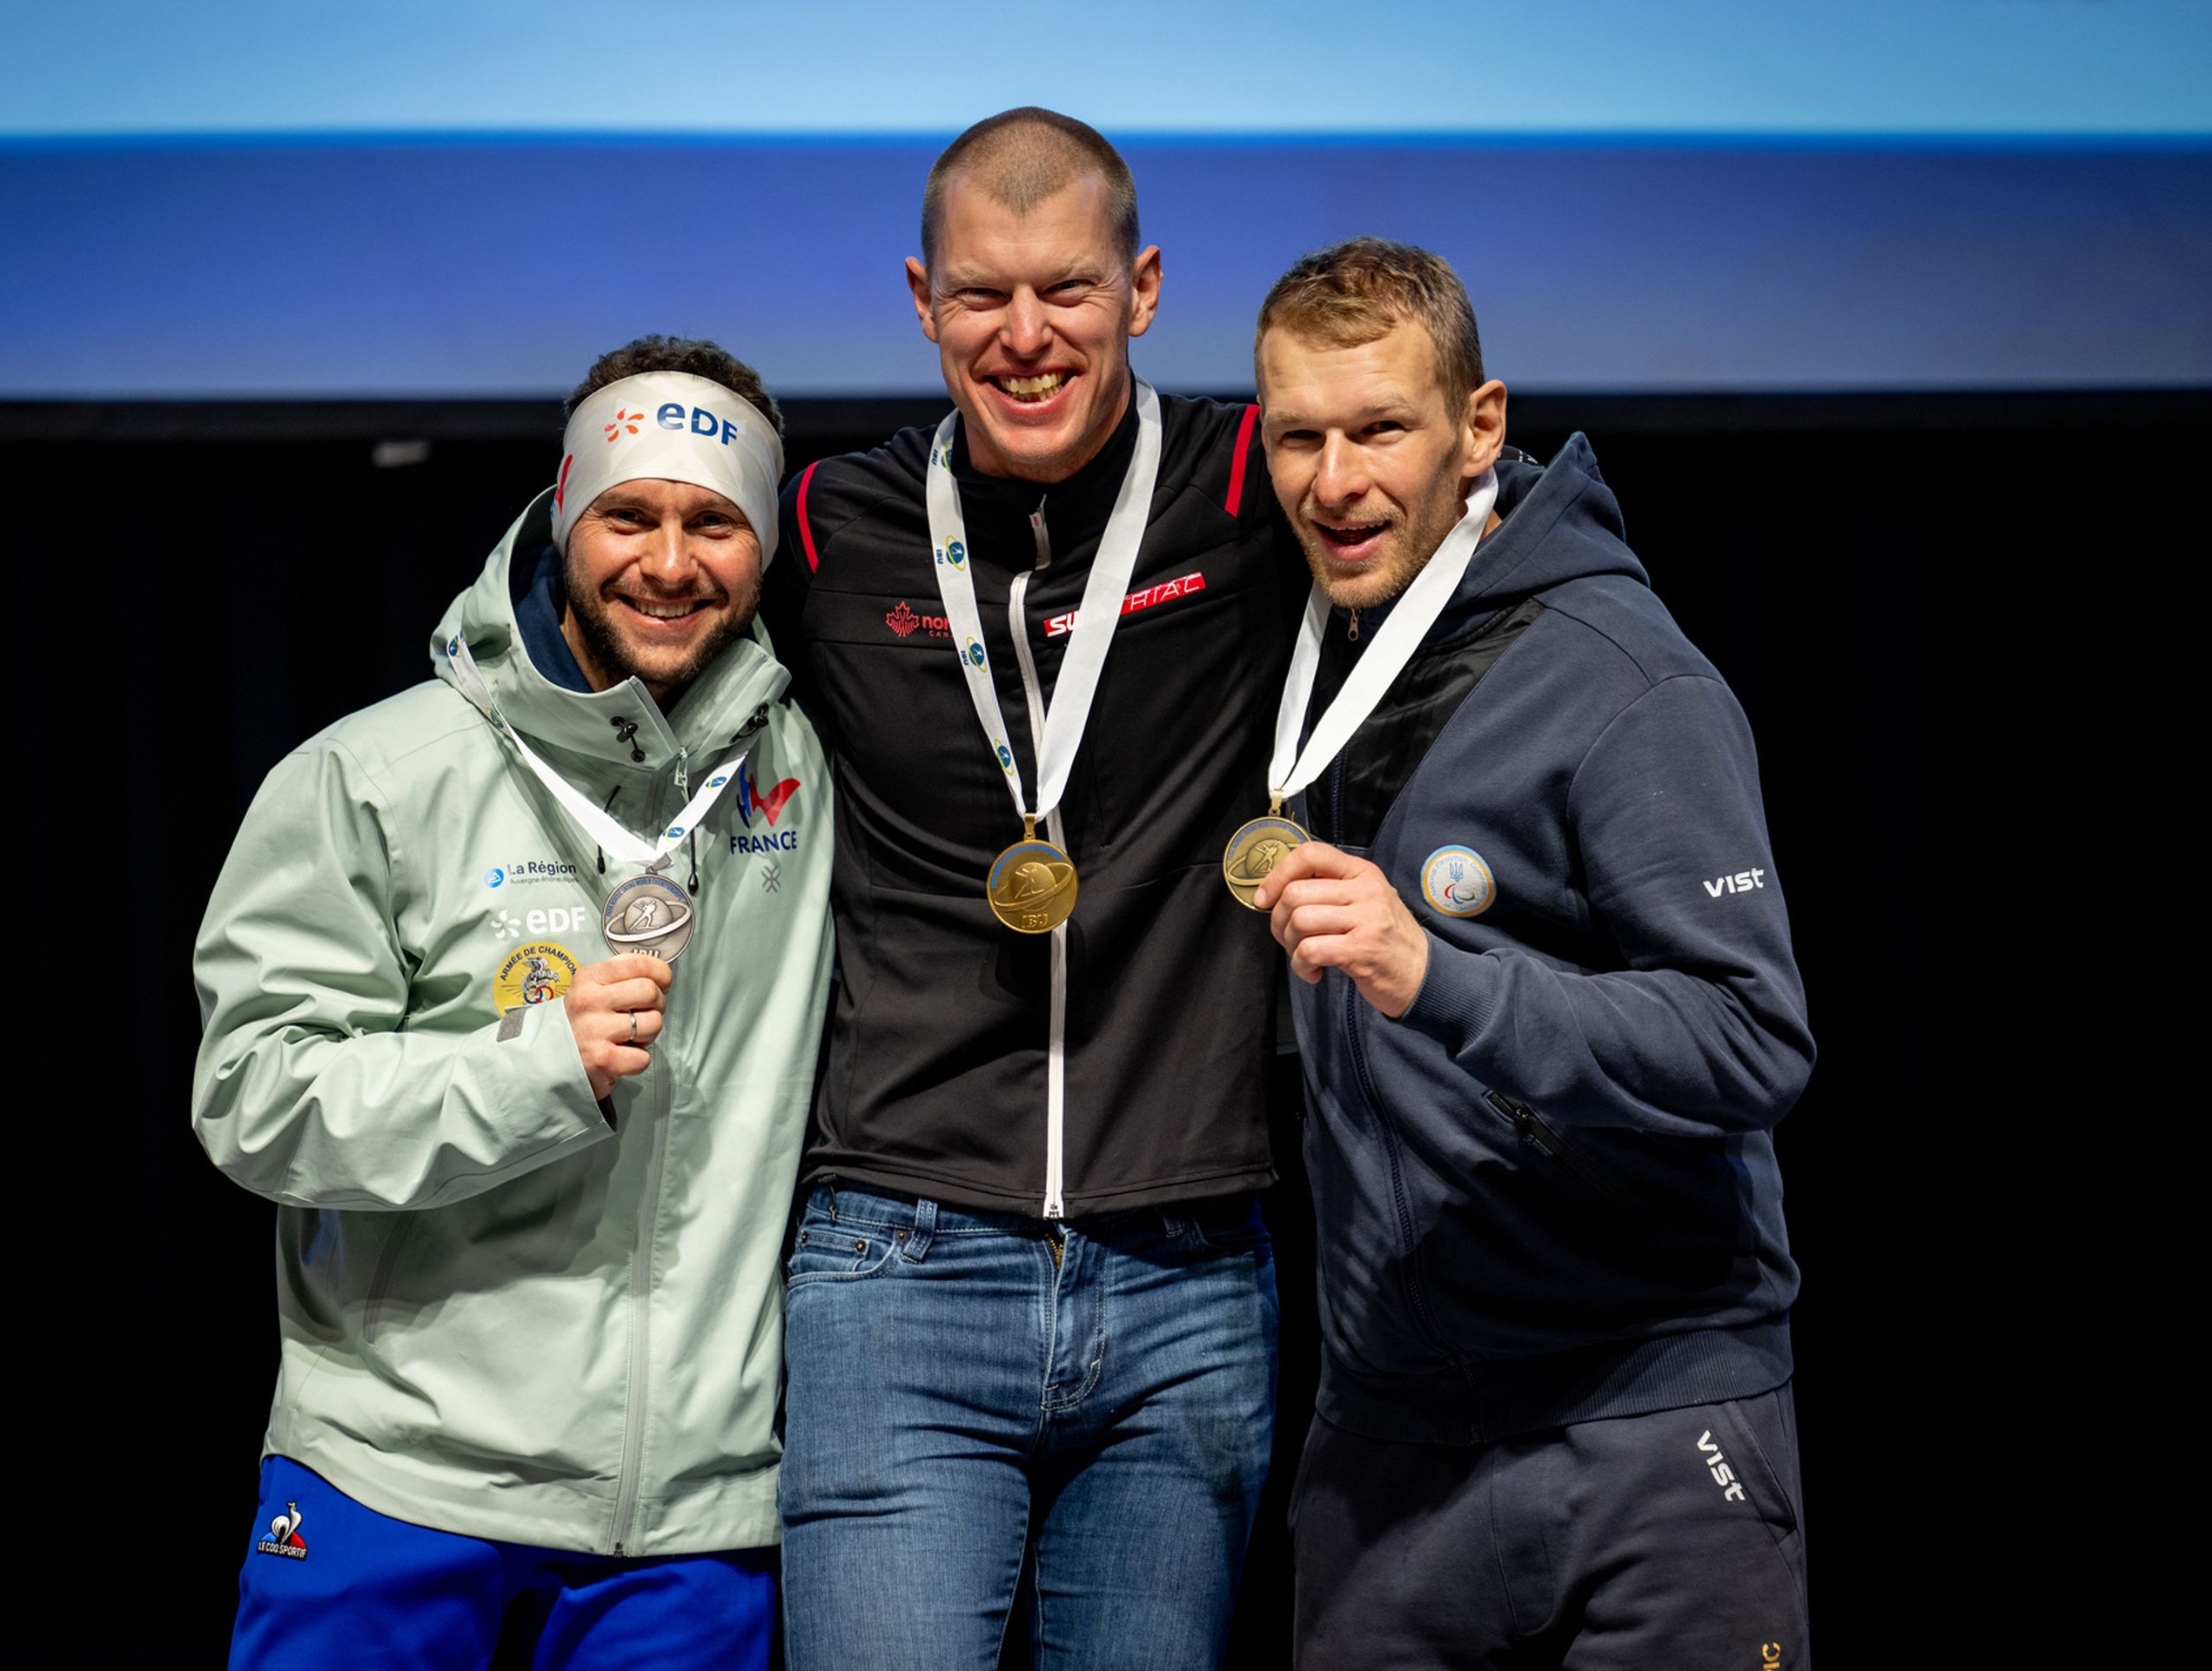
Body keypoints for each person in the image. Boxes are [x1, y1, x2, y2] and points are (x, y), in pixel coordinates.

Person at [191, 334, 833, 1668]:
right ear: (562, 513)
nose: (668, 564)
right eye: (629, 515)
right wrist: (530, 1069)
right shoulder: (376, 774)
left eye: (714, 522)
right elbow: (252, 1098)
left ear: (764, 545)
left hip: (691, 1528)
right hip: (396, 1483)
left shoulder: (814, 778)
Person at [761, 109, 1302, 1665]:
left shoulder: (1252, 483)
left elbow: (1463, 508)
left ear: (1141, 288)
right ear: (922, 300)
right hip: (896, 1264)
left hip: (1187, 1270)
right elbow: (621, 600)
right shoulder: (828, 522)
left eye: (1065, 289)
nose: (1025, 336)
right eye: (982, 296)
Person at [1247, 238, 1816, 1668]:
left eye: (1381, 429)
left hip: (1642, 1425)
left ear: (1479, 427)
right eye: (1299, 438)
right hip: (1388, 1441)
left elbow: (1751, 1037)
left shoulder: (1628, 679)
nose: (1336, 481)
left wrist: (1438, 975)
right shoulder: (1306, 642)